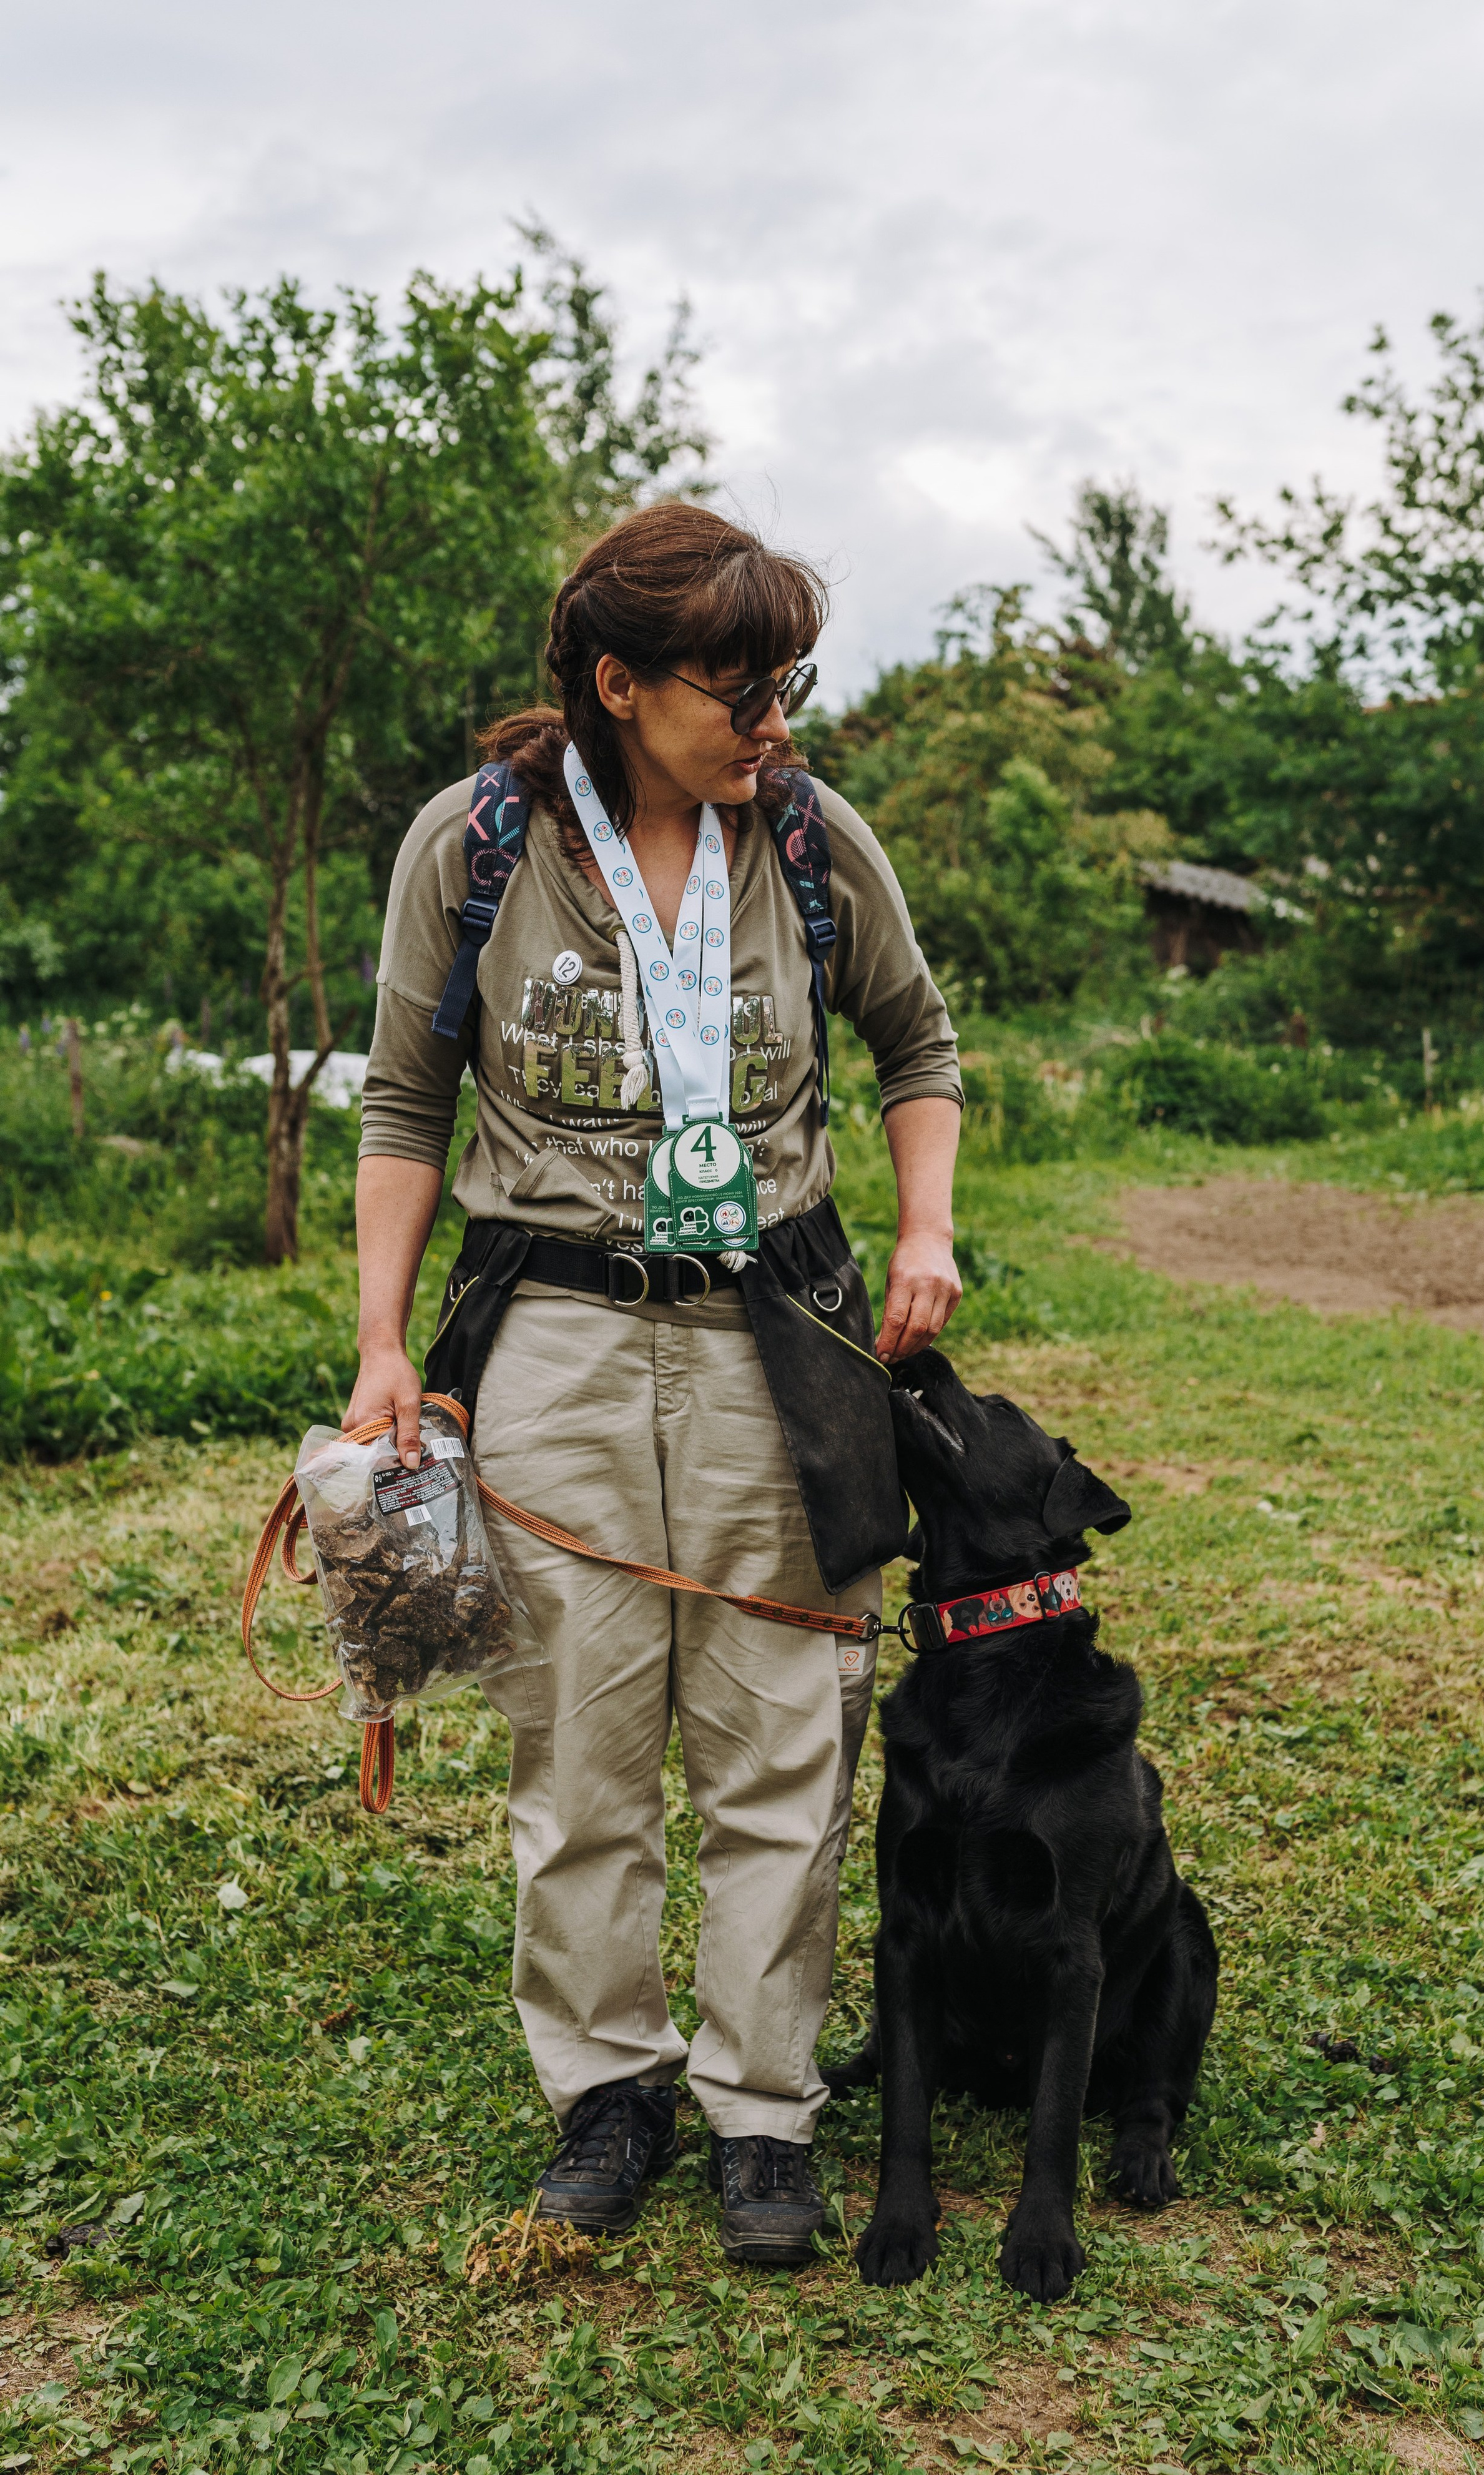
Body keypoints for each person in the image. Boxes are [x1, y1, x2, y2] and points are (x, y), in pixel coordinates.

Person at [348, 501, 962, 2266]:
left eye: (789, 679)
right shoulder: (472, 850)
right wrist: (388, 1343)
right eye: (734, 683)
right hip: (554, 1331)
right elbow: (403, 1099)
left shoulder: (809, 836)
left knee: (785, 1725)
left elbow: (915, 1039)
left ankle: (763, 2106)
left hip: (785, 1328)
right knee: (585, 1741)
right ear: (616, 683)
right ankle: (607, 2087)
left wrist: (924, 1224)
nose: (773, 716)